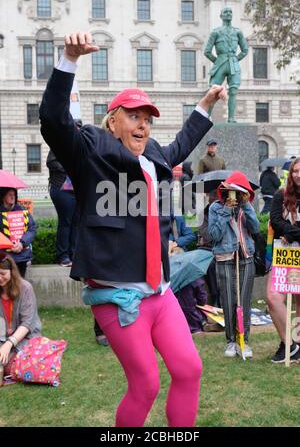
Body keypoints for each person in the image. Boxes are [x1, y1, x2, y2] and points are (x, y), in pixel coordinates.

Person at [39, 30, 226, 427]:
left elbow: (181, 145)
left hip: (159, 293)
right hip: (119, 296)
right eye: (134, 116)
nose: (142, 125)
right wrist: (69, 60)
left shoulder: (153, 156)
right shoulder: (90, 151)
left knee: (189, 370)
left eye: (147, 119)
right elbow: (54, 121)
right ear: (113, 120)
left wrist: (205, 107)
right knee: (145, 385)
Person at [208, 171, 260, 358]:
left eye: (238, 192)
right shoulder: (216, 207)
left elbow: (254, 229)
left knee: (244, 300)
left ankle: (243, 340)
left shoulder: (246, 207)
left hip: (246, 256)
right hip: (225, 257)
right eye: (232, 191)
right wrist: (226, 211)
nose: (235, 195)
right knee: (229, 300)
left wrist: (246, 206)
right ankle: (231, 341)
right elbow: (214, 235)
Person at [267, 157, 300, 363]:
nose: (298, 175)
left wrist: (292, 234)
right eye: (295, 171)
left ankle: (297, 342)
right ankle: (288, 342)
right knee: (272, 298)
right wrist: (292, 232)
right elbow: (276, 222)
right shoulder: (281, 195)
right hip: (284, 254)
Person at [0, 251, 42, 376]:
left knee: (9, 365)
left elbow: (27, 323)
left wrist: (9, 343)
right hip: (2, 337)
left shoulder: (25, 288)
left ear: (12, 272)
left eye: (3, 274)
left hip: (25, 338)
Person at [204, 6, 248, 123]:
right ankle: (206, 117)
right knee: (213, 91)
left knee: (233, 91)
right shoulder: (216, 32)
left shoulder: (238, 32)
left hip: (233, 64)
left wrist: (236, 59)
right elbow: (207, 51)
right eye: (225, 12)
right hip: (221, 62)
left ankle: (231, 118)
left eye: (230, 12)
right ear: (221, 15)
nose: (228, 14)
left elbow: (245, 50)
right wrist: (217, 61)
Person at [47, 150, 78, 267]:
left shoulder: (81, 141)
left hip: (78, 189)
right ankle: (63, 255)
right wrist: (71, 167)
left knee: (76, 222)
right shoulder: (59, 141)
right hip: (62, 188)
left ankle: (74, 254)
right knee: (66, 221)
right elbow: (51, 162)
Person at [0, 188, 36, 277]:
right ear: (3, 196)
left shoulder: (23, 210)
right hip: (3, 255)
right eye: (9, 195)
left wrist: (22, 243)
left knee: (20, 283)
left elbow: (32, 228)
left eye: (14, 195)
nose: (12, 197)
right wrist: (8, 244)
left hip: (21, 255)